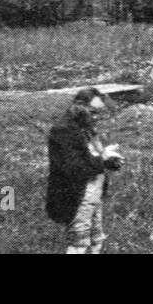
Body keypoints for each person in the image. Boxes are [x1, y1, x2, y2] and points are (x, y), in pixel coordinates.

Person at [46, 87, 123, 254]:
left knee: (97, 237)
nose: (96, 117)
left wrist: (110, 160)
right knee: (79, 241)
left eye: (99, 113)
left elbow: (93, 158)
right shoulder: (63, 130)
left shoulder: (87, 128)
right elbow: (73, 167)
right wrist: (103, 159)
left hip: (95, 194)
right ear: (79, 107)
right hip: (77, 194)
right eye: (93, 112)